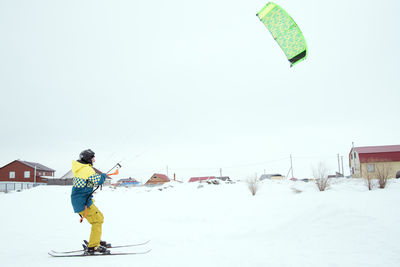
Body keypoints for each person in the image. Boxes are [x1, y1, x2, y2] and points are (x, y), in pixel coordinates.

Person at [71, 149, 109, 254]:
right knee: (97, 220)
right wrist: (103, 176)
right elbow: (99, 180)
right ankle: (93, 246)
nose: (94, 160)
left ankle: (95, 240)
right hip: (82, 202)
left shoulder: (80, 168)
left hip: (81, 200)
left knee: (98, 217)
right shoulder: (86, 170)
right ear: (88, 159)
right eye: (93, 158)